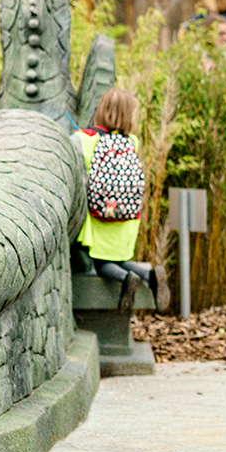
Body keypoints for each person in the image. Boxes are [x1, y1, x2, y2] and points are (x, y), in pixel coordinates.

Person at [72, 88, 155, 310]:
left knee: (102, 265)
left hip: (98, 220)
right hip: (126, 221)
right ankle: (147, 273)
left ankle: (126, 279)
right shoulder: (132, 142)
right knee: (117, 260)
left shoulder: (83, 140)